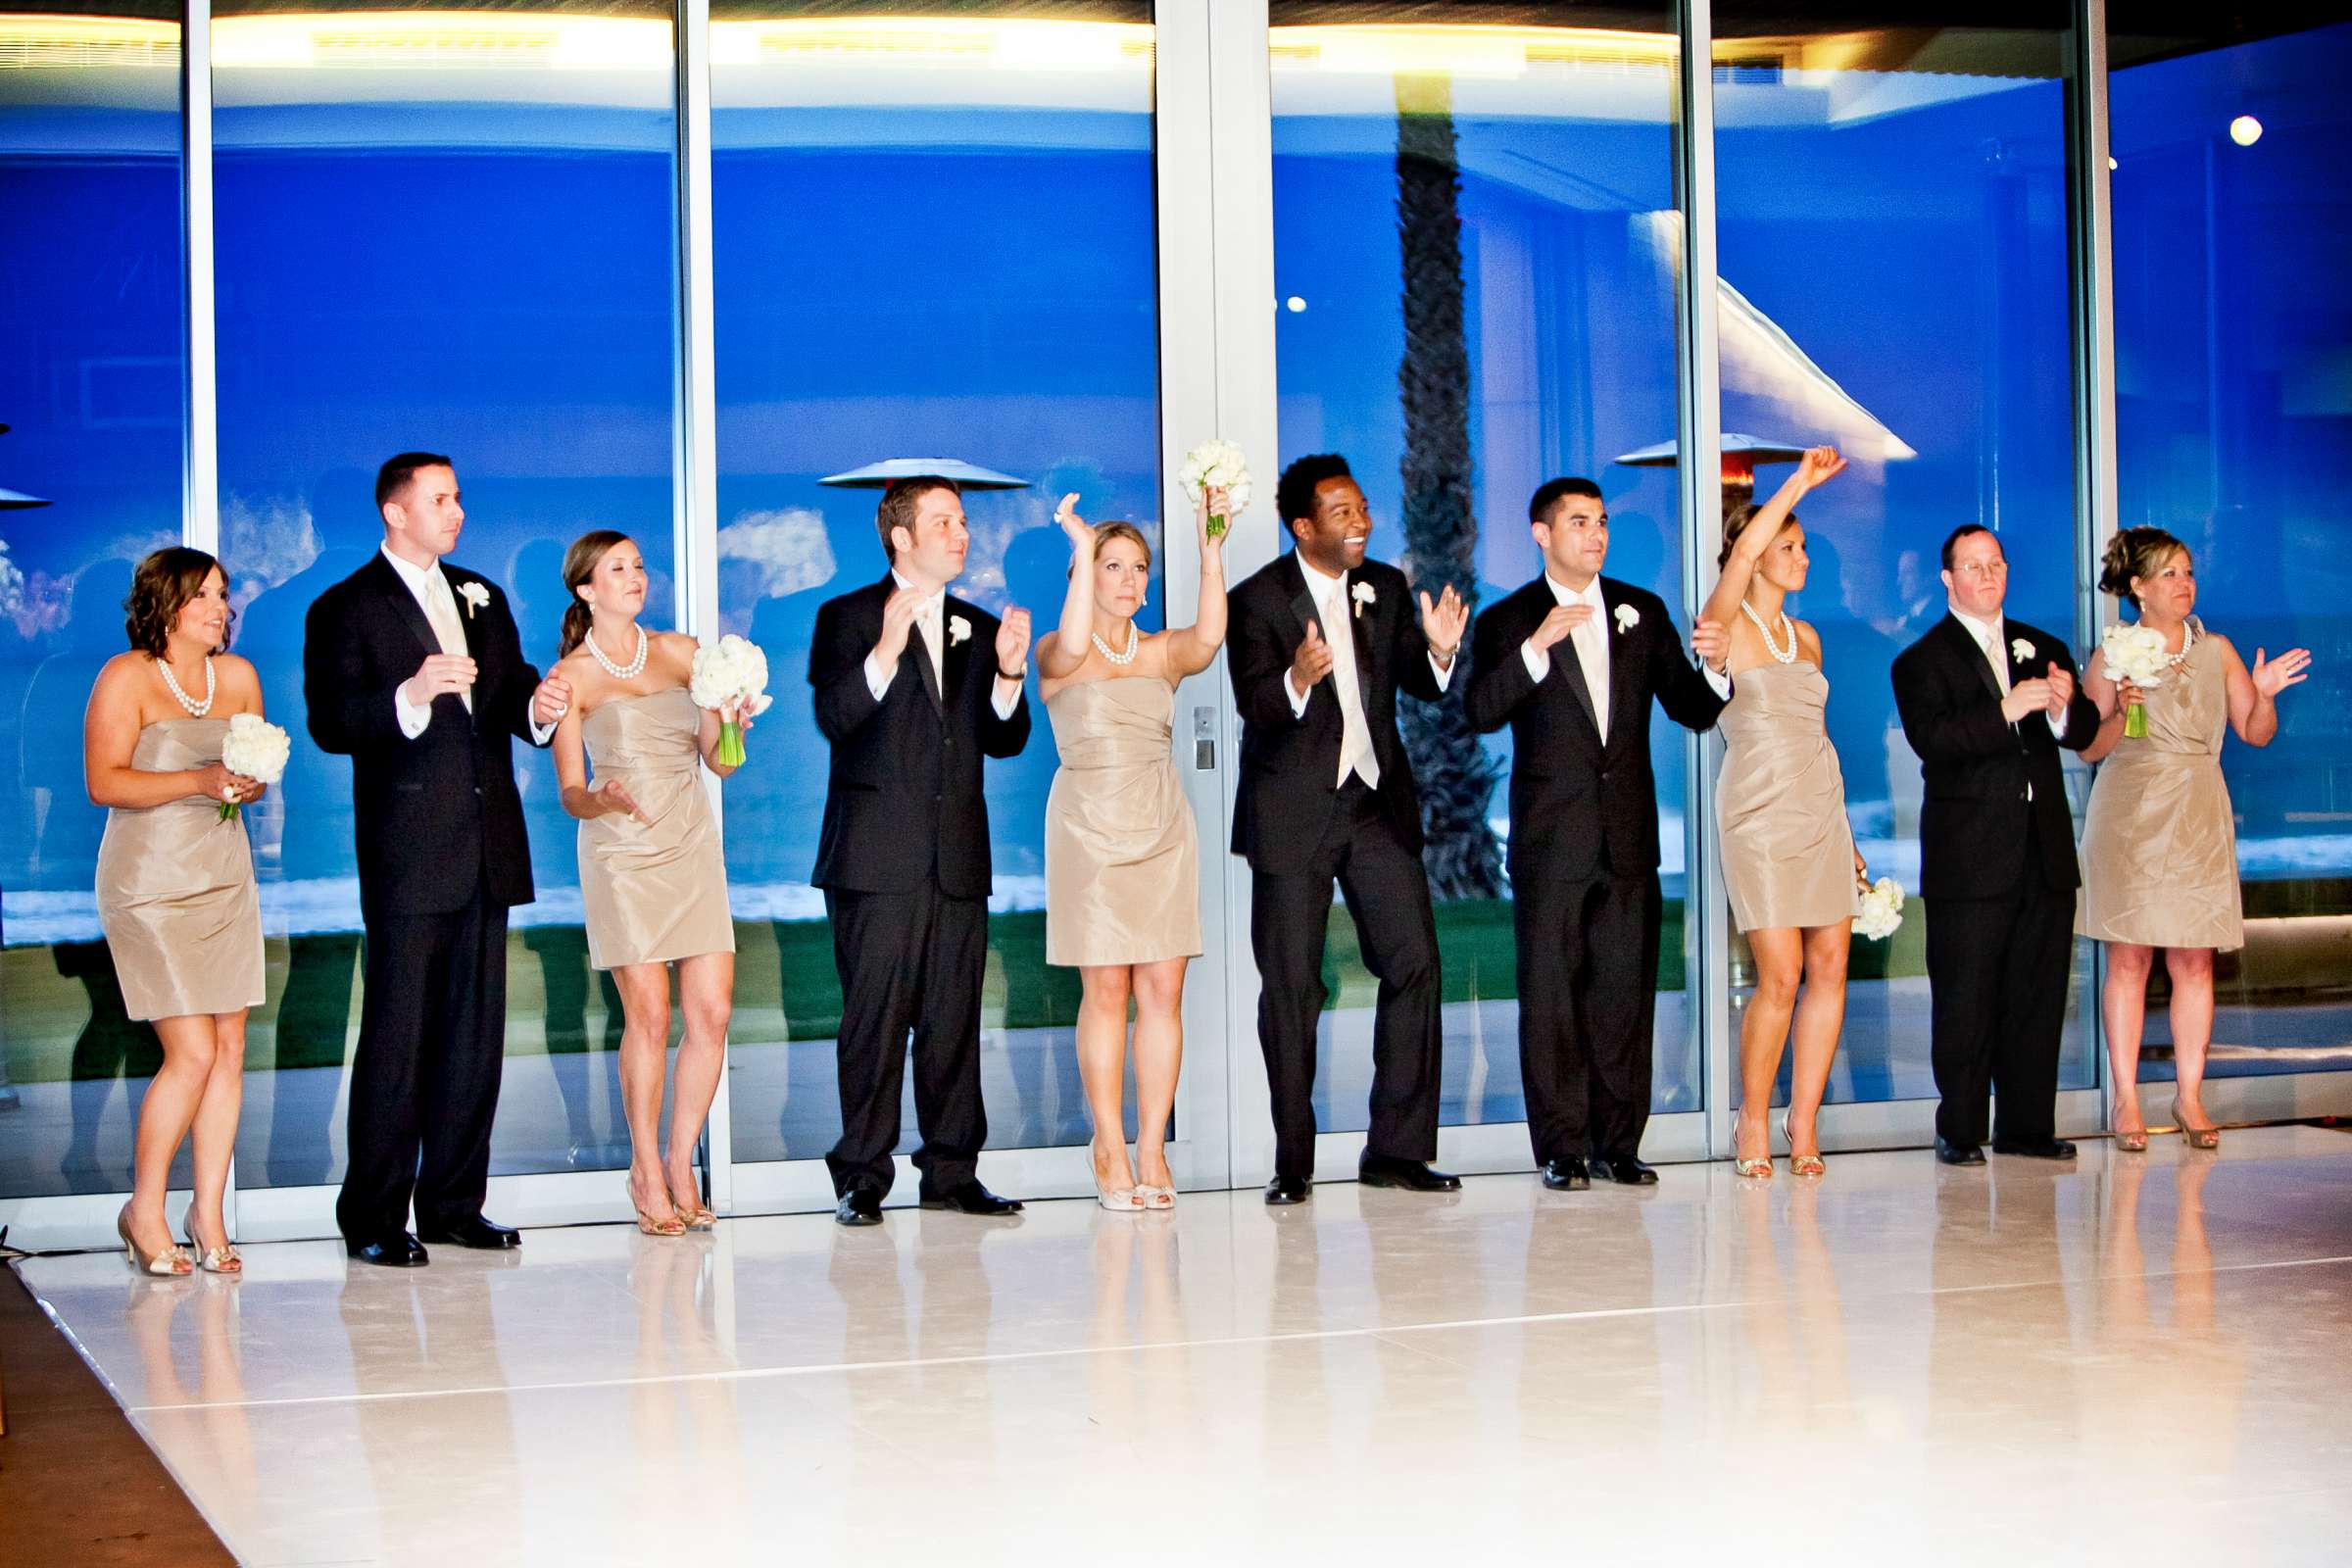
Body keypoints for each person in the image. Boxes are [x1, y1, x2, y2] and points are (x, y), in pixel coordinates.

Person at [303, 453, 570, 1267]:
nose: (457, 510)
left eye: (458, 497)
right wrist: (410, 695)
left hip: (487, 848)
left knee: (473, 1039)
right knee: (397, 1039)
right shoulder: (344, 606)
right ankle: (375, 1216)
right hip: (408, 855)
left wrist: (540, 705)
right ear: (394, 511)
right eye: (441, 498)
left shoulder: (479, 594)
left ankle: (455, 1204)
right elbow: (332, 721)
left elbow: (508, 694)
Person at [1464, 477, 1731, 1191]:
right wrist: (1534, 652)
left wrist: (1721, 664)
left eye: (1602, 521)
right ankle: (1561, 1147)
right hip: (1552, 844)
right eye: (1579, 522)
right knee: (1551, 998)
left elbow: (1695, 708)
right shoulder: (1508, 619)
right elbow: (1480, 711)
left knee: (1624, 997)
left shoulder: (1641, 612)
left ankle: (1620, 1143)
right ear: (1542, 534)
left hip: (1629, 840)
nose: (1596, 533)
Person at [1227, 453, 1469, 1204]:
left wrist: (1438, 650)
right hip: (1291, 814)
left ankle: (1396, 1150)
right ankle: (1293, 1165)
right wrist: (1297, 677)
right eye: (1342, 512)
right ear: (1303, 527)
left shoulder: (1386, 588)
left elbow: (1420, 687)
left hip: (1374, 808)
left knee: (1415, 965)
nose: (1361, 521)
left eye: (1362, 508)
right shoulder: (1257, 599)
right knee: (1293, 988)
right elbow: (1255, 705)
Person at [808, 474, 1033, 1226]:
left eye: (963, 521)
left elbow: (1005, 740)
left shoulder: (974, 623)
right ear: (901, 536)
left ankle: (952, 1171)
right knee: (872, 1024)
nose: (961, 534)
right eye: (944, 522)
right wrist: (884, 649)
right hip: (874, 860)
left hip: (958, 860)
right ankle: (861, 1178)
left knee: (952, 1023)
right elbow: (836, 718)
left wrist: (1008, 671)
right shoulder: (844, 617)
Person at [2078, 526, 2309, 1152]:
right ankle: (2127, 1098)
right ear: (2138, 587)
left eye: (2187, 572)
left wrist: (2261, 696)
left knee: (2193, 957)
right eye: (2170, 574)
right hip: (2128, 808)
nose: (2184, 584)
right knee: (2129, 957)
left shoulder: (2219, 650)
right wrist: (2117, 708)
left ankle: (2189, 1094)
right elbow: (2092, 747)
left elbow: (2255, 733)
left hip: (2198, 808)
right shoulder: (2112, 655)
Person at [550, 530, 745, 1235]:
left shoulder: (683, 652)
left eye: (637, 565)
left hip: (691, 842)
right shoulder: (569, 677)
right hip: (621, 854)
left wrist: (732, 724)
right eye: (617, 569)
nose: (634, 577)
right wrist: (599, 798)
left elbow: (722, 764)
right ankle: (643, 1167)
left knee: (713, 1012)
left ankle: (679, 1156)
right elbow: (570, 790)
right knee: (651, 1017)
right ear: (586, 589)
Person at [1038, 487, 1227, 1210]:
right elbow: (1077, 643)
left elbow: (1207, 639)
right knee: (1107, 991)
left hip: (1161, 826)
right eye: (1112, 566)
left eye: (1137, 567)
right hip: (1088, 829)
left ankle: (1152, 1146)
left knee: (1163, 990)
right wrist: (1080, 552)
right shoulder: (1062, 653)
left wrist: (1210, 552)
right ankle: (1108, 1144)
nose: (1128, 579)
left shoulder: (1161, 654)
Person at [1889, 524, 2100, 1168]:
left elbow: (2085, 731)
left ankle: (2026, 1127)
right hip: (1969, 858)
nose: (1987, 576)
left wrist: (2064, 708)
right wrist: (2005, 710)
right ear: (1948, 578)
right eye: (1973, 567)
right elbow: (1935, 740)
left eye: (1996, 564)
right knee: (1966, 996)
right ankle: (1958, 1128)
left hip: (2043, 852)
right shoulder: (1922, 660)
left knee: (2037, 997)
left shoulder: (2042, 645)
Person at [85, 548, 268, 1275]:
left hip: (224, 875)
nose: (220, 608)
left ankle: (209, 1213)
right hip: (149, 882)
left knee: (228, 1048)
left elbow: (252, 765)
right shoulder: (125, 677)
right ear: (167, 603)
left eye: (224, 595)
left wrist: (246, 786)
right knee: (189, 1051)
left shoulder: (241, 676)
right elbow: (103, 781)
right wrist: (196, 778)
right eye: (205, 597)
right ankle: (145, 1210)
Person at [1698, 447, 1865, 1180]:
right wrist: (1797, 482)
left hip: (1819, 810)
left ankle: (1805, 1123)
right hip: (1758, 816)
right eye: (1788, 547)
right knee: (1781, 973)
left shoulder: (1810, 639)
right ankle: (1752, 1117)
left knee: (1831, 967)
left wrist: (1851, 837)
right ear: (1757, 554)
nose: (1802, 557)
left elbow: (1822, 740)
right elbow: (1734, 569)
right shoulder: (1725, 625)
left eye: (1803, 546)